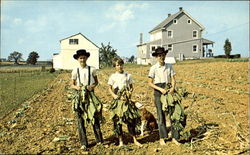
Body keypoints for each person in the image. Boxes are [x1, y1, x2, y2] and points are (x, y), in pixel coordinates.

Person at [71, 49, 103, 150]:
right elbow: (72, 84)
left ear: (86, 58)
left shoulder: (92, 69)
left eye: (84, 57)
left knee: (94, 117)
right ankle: (83, 143)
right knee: (80, 120)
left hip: (90, 96)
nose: (82, 59)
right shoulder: (75, 70)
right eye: (80, 58)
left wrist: (92, 86)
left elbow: (96, 82)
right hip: (79, 96)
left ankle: (99, 140)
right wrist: (78, 88)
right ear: (77, 59)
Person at [148, 47, 180, 146]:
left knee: (173, 114)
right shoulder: (153, 68)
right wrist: (160, 89)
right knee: (160, 115)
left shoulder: (169, 66)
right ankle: (162, 137)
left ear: (165, 55)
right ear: (157, 57)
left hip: (169, 89)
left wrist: (173, 88)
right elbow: (149, 82)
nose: (161, 57)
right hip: (158, 91)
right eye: (159, 55)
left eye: (163, 55)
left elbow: (173, 79)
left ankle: (175, 137)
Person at [108, 57, 142, 147]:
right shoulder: (113, 76)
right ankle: (120, 141)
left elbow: (131, 87)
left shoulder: (128, 75)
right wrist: (114, 95)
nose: (119, 67)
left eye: (120, 64)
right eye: (117, 65)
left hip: (126, 100)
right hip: (117, 100)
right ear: (115, 66)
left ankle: (134, 139)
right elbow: (109, 88)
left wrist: (129, 93)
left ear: (123, 64)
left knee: (131, 120)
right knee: (118, 122)